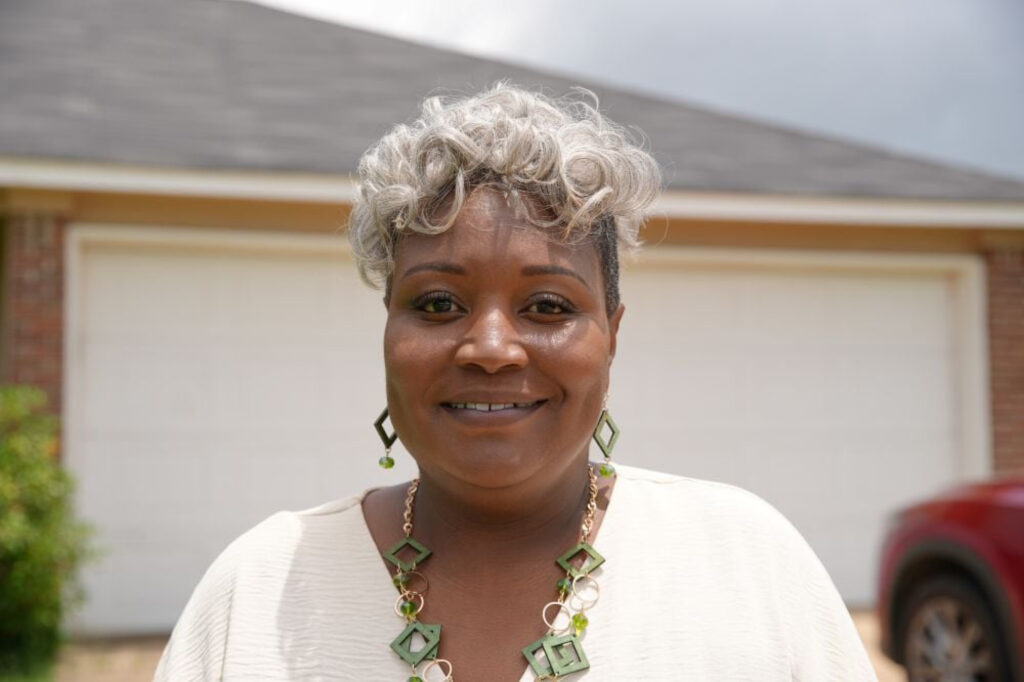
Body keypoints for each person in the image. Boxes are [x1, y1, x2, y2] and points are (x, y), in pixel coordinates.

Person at [154, 83, 876, 681]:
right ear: (389, 327)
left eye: (548, 307)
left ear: (612, 336)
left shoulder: (747, 564)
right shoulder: (255, 588)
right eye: (438, 303)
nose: (491, 348)